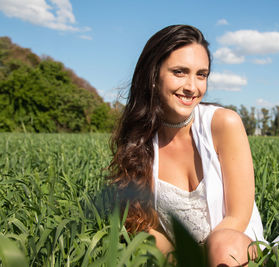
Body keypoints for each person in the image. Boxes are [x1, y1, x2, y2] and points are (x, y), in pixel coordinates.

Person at [109, 25, 267, 266]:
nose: (192, 87)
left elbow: (238, 215)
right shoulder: (139, 140)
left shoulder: (224, 123)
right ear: (153, 76)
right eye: (180, 72)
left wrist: (202, 257)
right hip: (181, 258)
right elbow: (146, 227)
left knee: (221, 246)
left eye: (201, 74)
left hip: (236, 247)